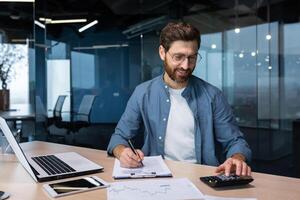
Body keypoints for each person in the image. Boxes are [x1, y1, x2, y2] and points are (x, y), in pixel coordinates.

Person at [107, 21, 252, 176]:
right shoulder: (142, 93)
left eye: (192, 58)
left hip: (202, 178)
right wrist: (122, 152)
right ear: (162, 53)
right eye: (178, 57)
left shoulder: (213, 95)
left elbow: (236, 142)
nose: (185, 65)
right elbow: (119, 137)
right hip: (156, 177)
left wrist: (237, 158)